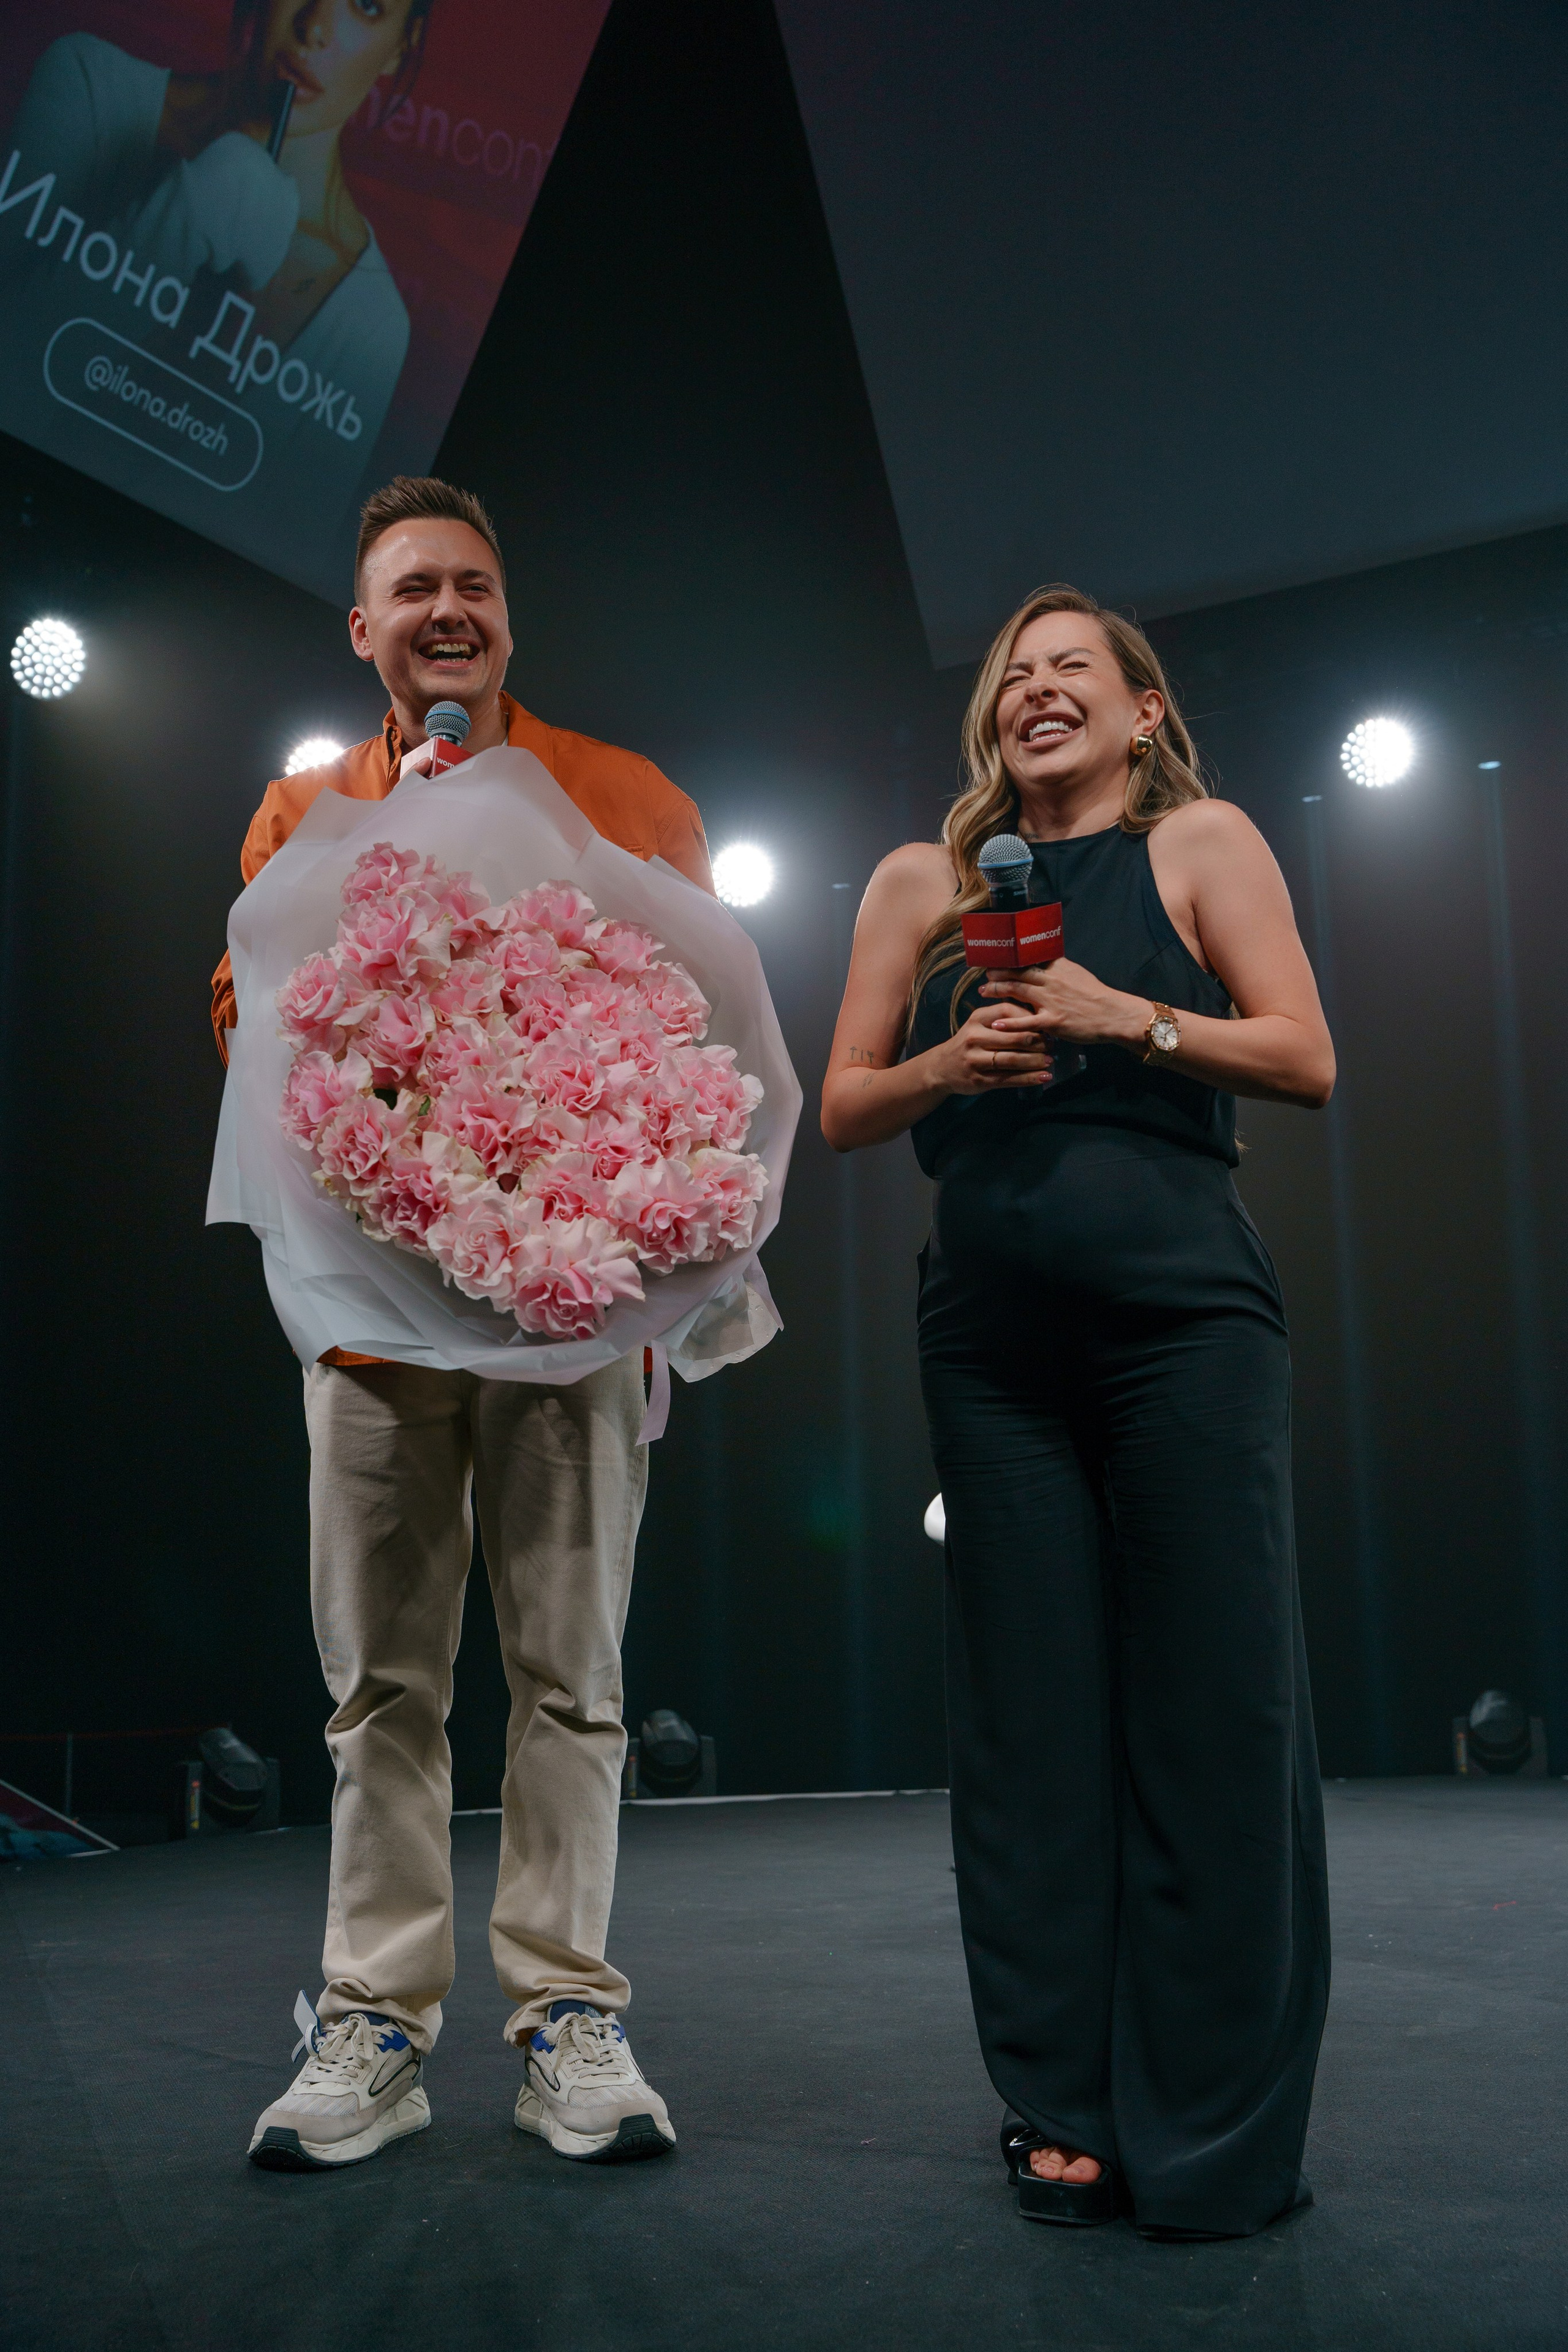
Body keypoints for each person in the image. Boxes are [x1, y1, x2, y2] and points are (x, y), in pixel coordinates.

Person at [213, 473, 714, 2173]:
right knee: (381, 1691)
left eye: (475, 586)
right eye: (415, 587)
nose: (449, 611)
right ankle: (375, 2022)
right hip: (371, 1327)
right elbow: (250, 1029)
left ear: (511, 616)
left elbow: (694, 1022)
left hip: (573, 1318)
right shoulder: (302, 811)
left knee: (572, 1680)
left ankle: (570, 2012)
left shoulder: (627, 794)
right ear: (362, 631)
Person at [821, 585, 1334, 2239]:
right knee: (1030, 1725)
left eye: (1072, 675)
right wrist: (945, 1071)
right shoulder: (924, 883)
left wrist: (1133, 1019)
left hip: (1184, 1326)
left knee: (1213, 1718)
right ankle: (1060, 2104)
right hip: (990, 1343)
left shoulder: (1205, 845)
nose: (1039, 695)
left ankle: (1209, 2121)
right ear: (992, 728)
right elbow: (842, 1106)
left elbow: (1308, 1057)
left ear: (1140, 713)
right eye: (1013, 680)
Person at [1, 3, 419, 573]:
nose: (314, 26)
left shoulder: (373, 324)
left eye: (367, 5)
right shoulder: (91, 85)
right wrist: (195, 209)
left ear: (402, 44)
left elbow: (256, 582)